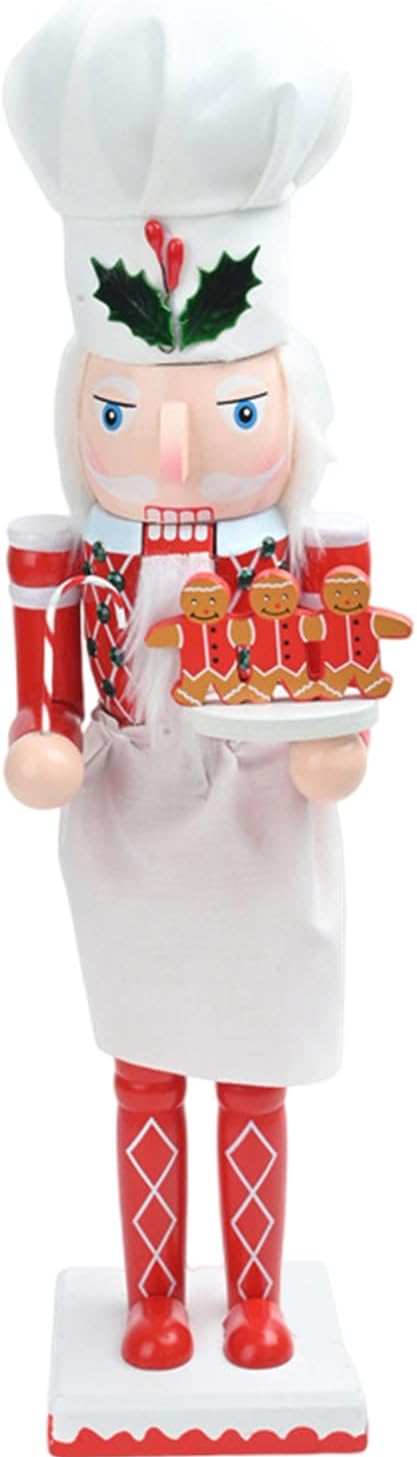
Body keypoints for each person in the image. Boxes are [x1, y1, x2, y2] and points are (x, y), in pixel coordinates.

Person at [4, 0, 368, 1371]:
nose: (168, 456)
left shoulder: (304, 554)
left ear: (286, 406)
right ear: (76, 407)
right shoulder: (73, 554)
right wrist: (42, 740)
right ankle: (155, 1300)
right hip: (132, 818)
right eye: (120, 414)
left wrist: (334, 748)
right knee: (147, 1063)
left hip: (263, 818)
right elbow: (46, 692)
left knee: (257, 1062)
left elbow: (335, 672)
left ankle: (257, 1301)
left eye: (227, 414)